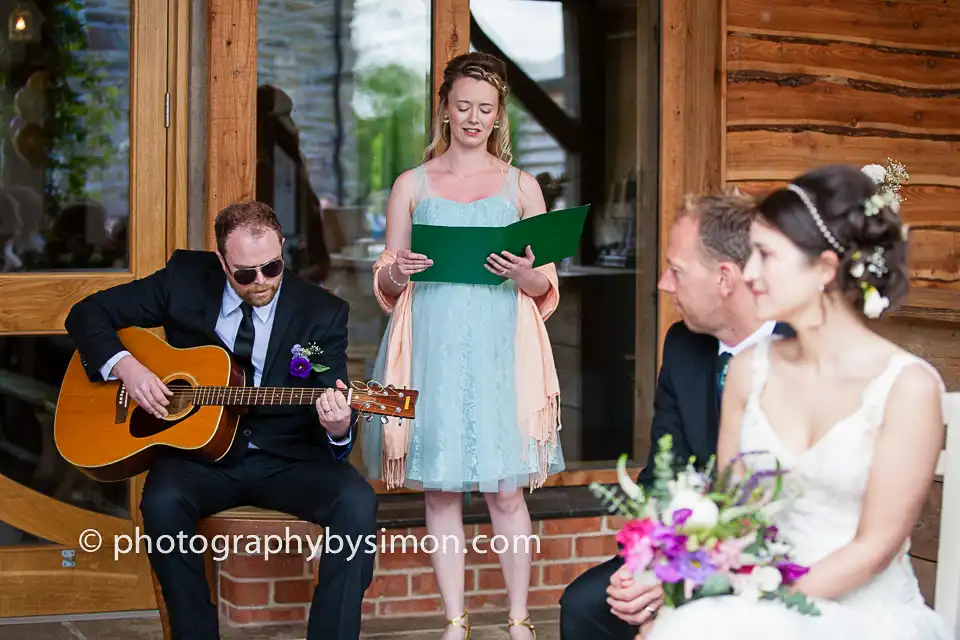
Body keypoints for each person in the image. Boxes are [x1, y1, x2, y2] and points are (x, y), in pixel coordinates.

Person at [641, 164, 948, 639]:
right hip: (755, 598)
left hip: (864, 613)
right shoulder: (750, 369)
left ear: (824, 268)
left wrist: (759, 610)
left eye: (765, 255)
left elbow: (874, 548)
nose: (748, 273)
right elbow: (732, 516)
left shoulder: (908, 388)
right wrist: (686, 588)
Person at [63, 201, 377, 640]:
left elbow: (335, 398)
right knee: (160, 504)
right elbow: (86, 314)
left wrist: (339, 427)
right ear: (221, 261)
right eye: (245, 274)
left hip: (287, 458)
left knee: (358, 503)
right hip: (199, 456)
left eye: (272, 267)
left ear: (282, 247)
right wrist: (127, 369)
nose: (262, 282)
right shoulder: (185, 280)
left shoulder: (322, 313)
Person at [361, 52, 564, 640]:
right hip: (432, 347)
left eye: (485, 108)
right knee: (442, 489)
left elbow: (547, 283)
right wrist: (402, 271)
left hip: (504, 349)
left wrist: (521, 273)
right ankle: (455, 621)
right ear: (445, 110)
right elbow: (386, 282)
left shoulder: (524, 186)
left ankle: (519, 618)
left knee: (506, 490)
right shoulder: (411, 184)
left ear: (498, 116)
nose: (473, 118)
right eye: (463, 106)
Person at [559, 191, 794, 639]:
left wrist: (684, 578)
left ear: (725, 277)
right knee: (586, 604)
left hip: (774, 560)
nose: (664, 283)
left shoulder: (798, 353)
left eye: (676, 270)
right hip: (685, 542)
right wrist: (649, 564)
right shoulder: (684, 346)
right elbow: (661, 477)